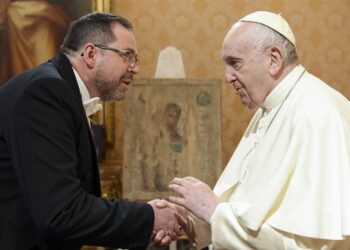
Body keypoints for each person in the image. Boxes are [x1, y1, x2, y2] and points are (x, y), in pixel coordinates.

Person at [166, 11, 350, 249]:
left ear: (274, 59)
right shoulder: (270, 108)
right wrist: (195, 222)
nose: (227, 77)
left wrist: (214, 212)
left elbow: (306, 244)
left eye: (235, 63)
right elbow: (252, 210)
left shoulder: (319, 115)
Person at [0, 12, 183, 249]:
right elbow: (61, 213)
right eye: (127, 56)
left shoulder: (58, 89)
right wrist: (150, 217)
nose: (135, 68)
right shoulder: (46, 93)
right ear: (90, 54)